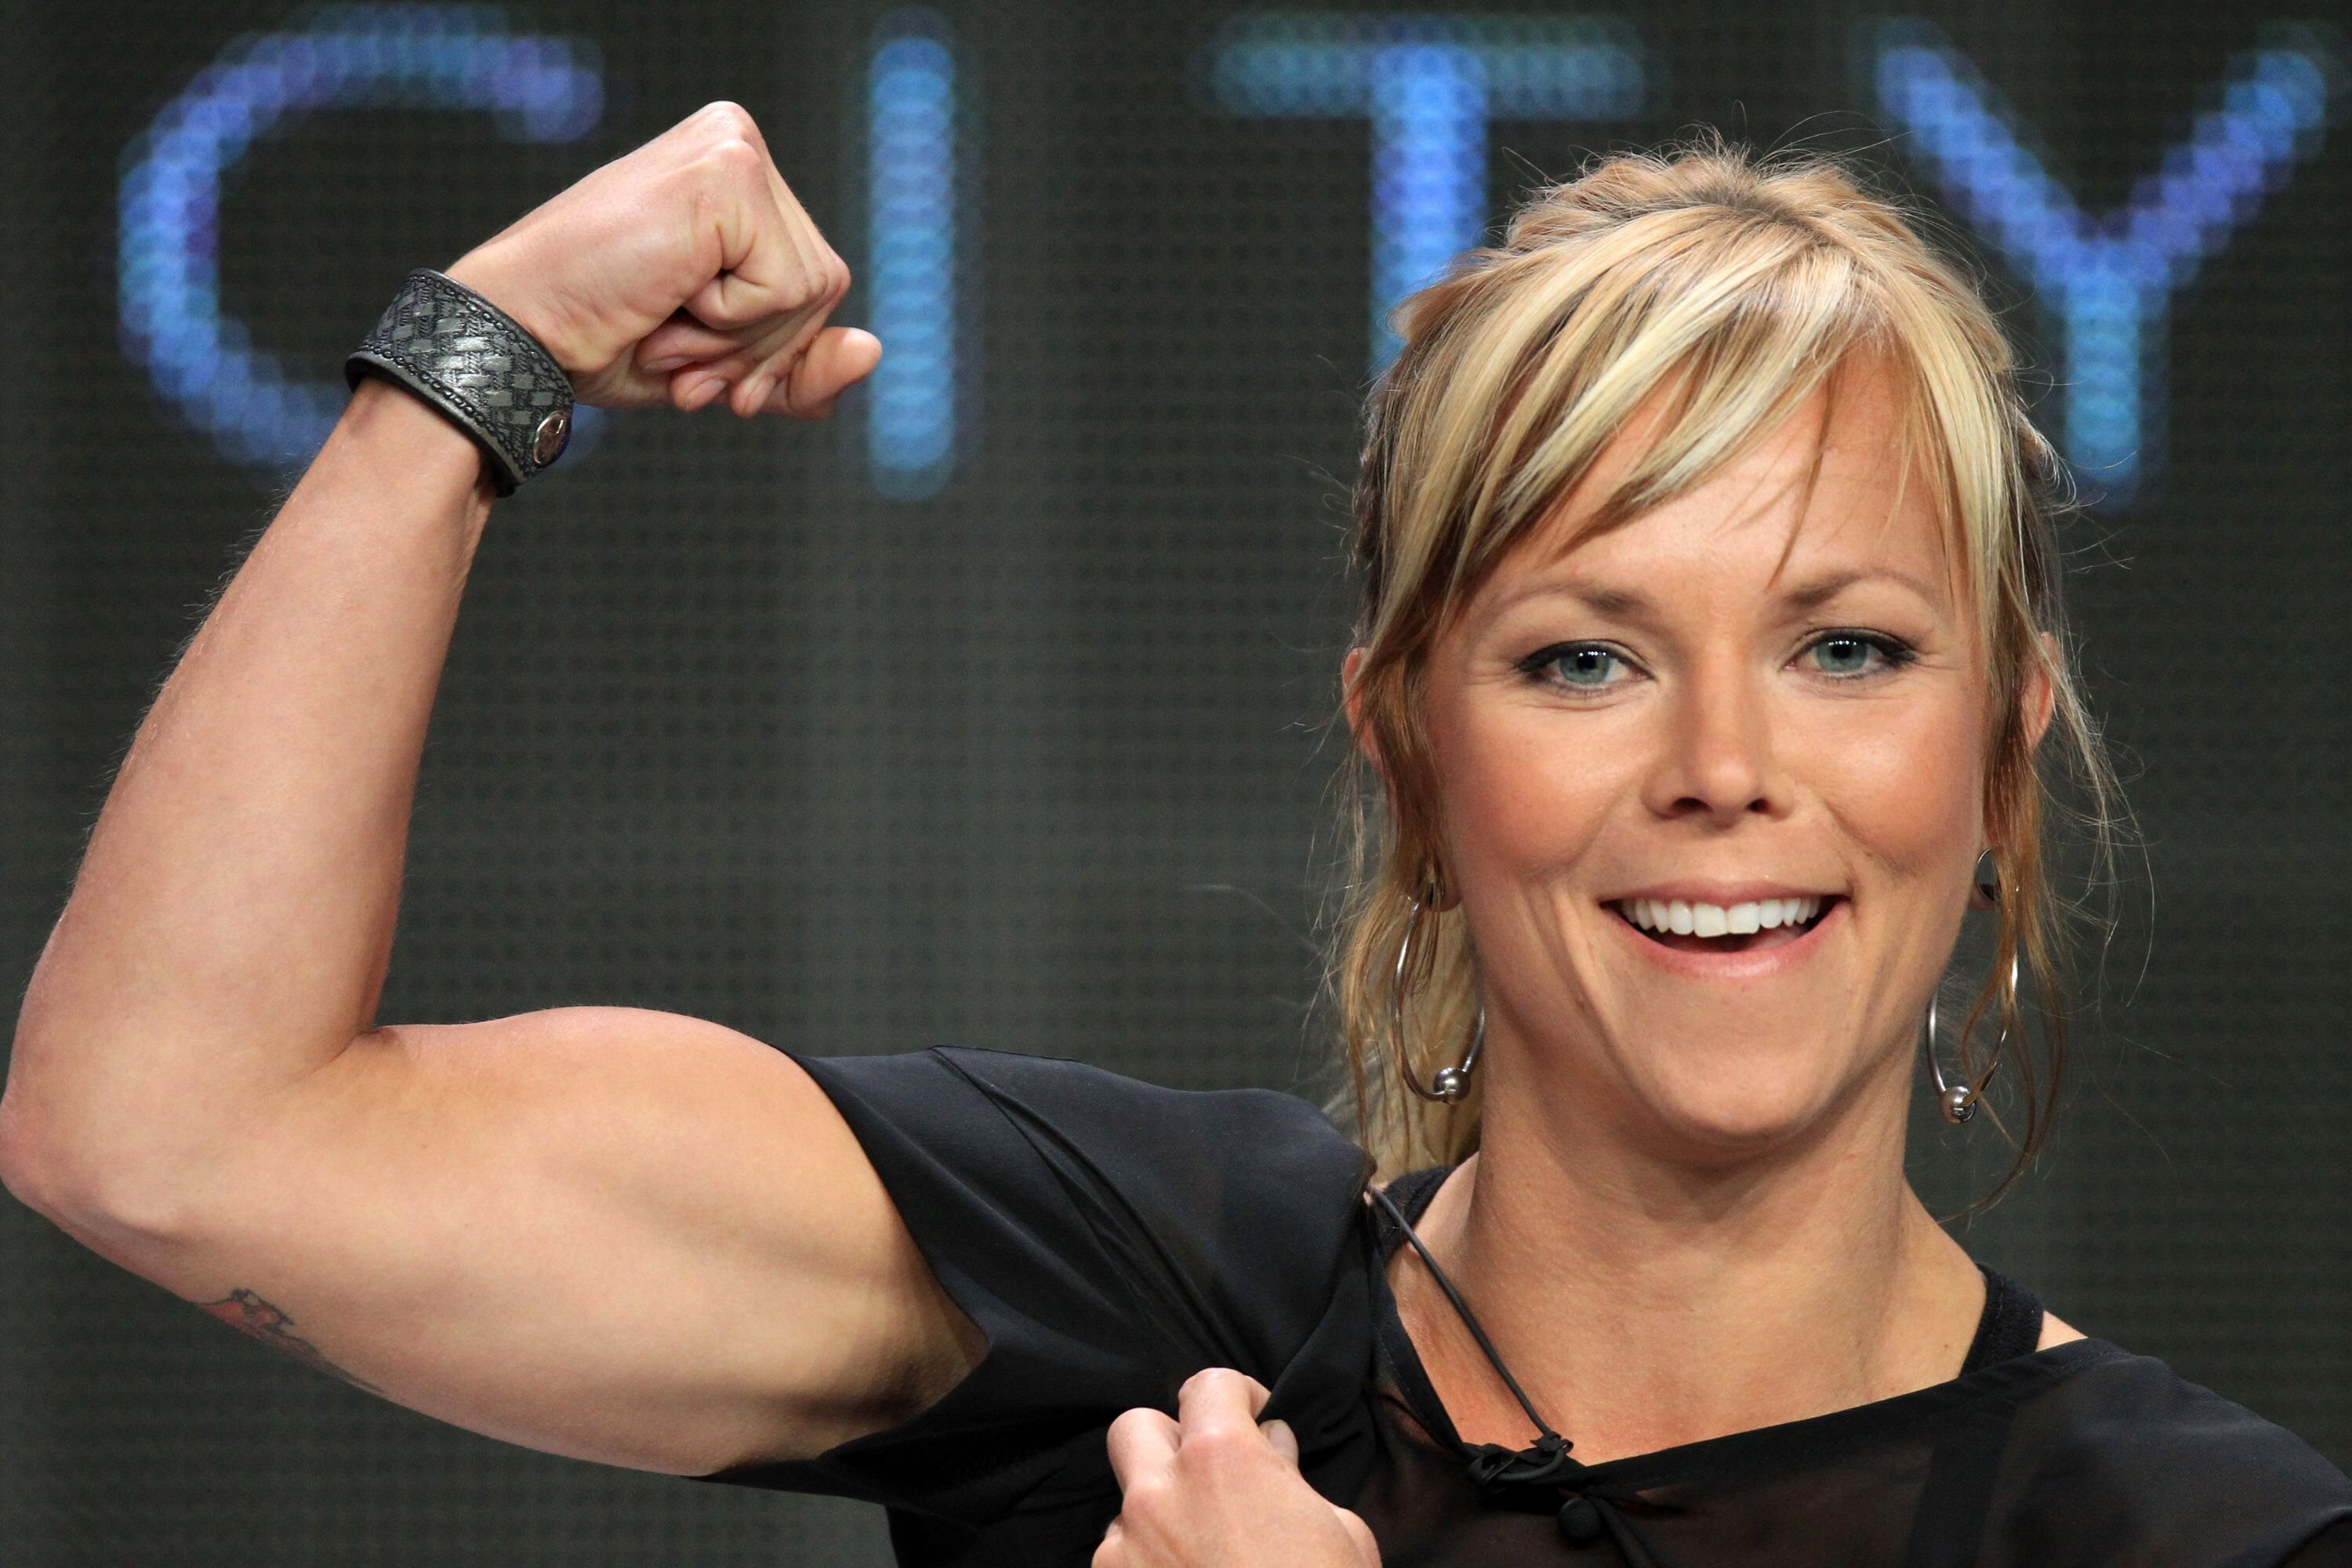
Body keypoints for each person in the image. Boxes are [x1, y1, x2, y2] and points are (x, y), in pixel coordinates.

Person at [1, 98, 2346, 1568]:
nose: (1724, 762)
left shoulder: (2202, 1538)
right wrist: (470, 368)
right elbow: (173, 1129)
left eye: (1846, 648)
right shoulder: (1138, 1307)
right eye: (1583, 657)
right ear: (1415, 765)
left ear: (2002, 760)